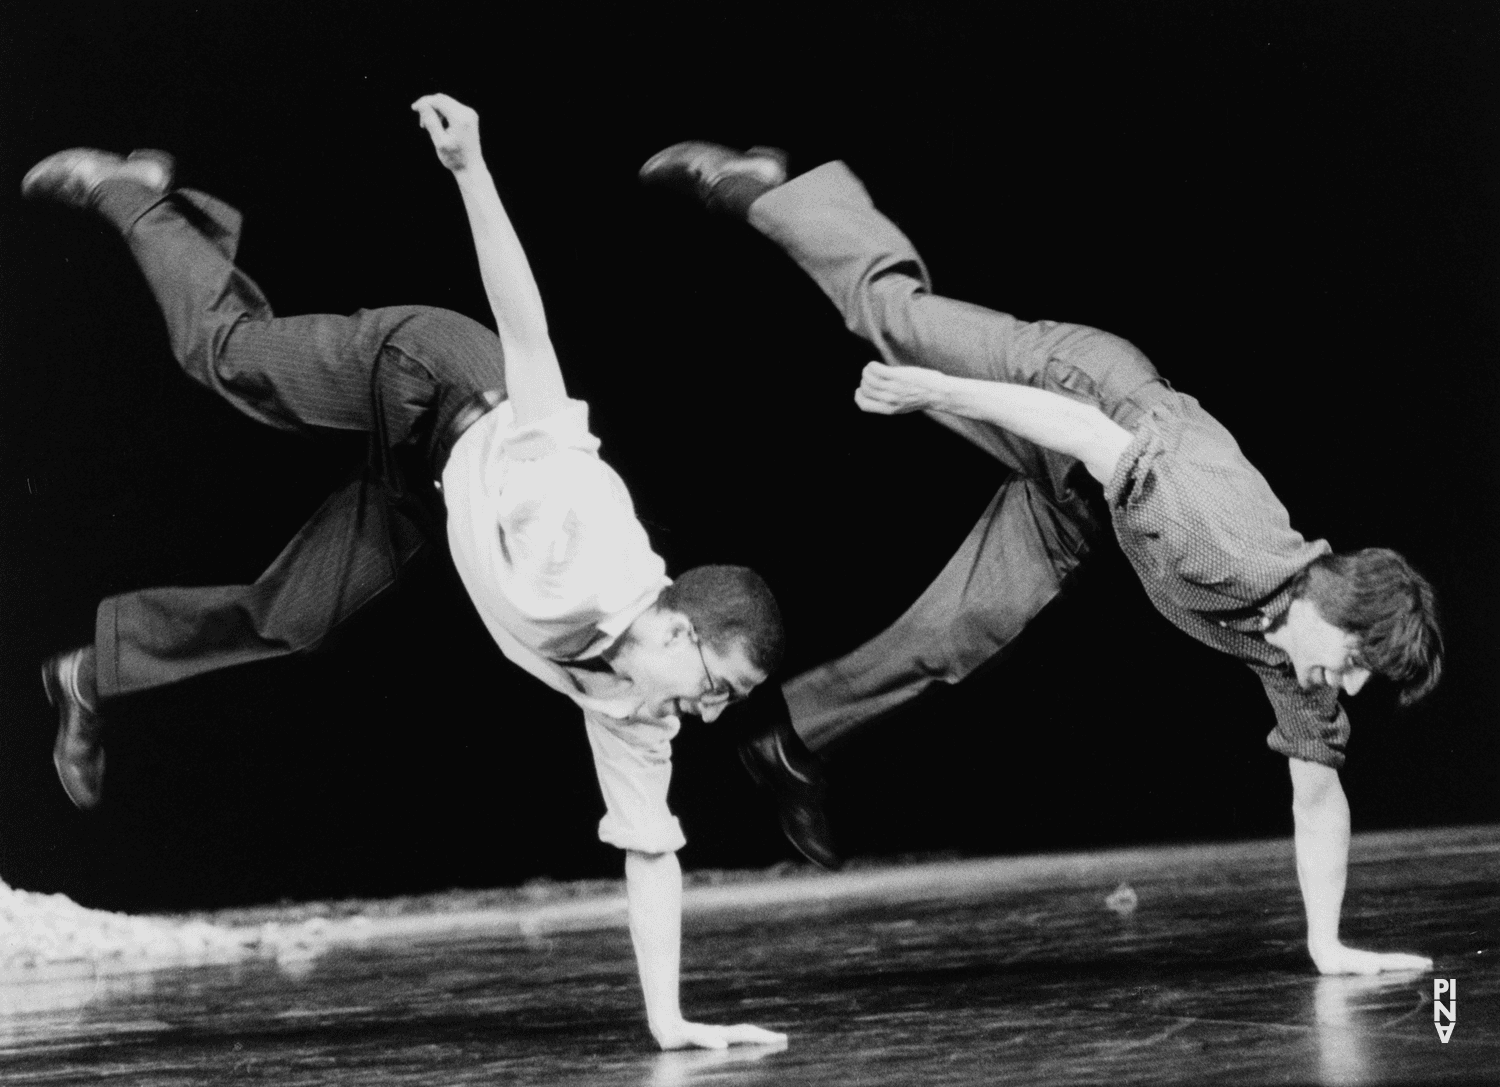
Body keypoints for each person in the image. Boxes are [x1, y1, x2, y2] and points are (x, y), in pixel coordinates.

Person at [22, 97, 787, 1051]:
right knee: (227, 358)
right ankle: (128, 193)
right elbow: (528, 331)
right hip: (438, 378)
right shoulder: (579, 525)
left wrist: (671, 1022)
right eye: (716, 688)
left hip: (433, 489)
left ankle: (89, 672)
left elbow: (653, 854)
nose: (706, 714)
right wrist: (472, 169)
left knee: (291, 618)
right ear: (678, 630)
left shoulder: (636, 703)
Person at [640, 143, 1443, 977]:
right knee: (892, 320)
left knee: (966, 627)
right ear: (1330, 602)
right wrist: (936, 391)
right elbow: (1094, 436)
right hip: (1080, 391)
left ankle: (785, 739)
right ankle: (754, 188)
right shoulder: (1220, 532)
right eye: (1353, 663)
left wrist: (1328, 945)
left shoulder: (1297, 662)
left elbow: (1317, 797)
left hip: (1091, 499)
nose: (1343, 687)